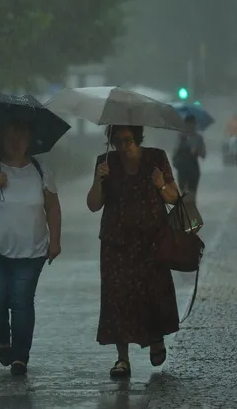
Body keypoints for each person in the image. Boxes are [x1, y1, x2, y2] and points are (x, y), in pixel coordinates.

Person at [0, 119, 62, 376]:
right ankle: (2, 339)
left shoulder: (41, 170)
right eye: (10, 134)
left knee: (21, 302)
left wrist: (55, 240)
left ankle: (20, 357)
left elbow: (52, 206)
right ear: (1, 138)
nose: (16, 140)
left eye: (21, 134)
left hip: (31, 251)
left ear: (30, 137)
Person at [87, 125, 180, 378]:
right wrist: (98, 180)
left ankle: (156, 338)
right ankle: (122, 358)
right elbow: (93, 205)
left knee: (154, 290)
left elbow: (174, 197)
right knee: (117, 297)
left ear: (136, 138)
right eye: (117, 141)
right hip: (116, 242)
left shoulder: (156, 158)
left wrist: (161, 184)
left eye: (127, 140)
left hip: (152, 240)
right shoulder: (106, 162)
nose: (123, 146)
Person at [172, 114, 206, 196]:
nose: (190, 126)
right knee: (183, 193)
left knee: (192, 193)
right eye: (188, 124)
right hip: (182, 168)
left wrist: (196, 151)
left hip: (193, 169)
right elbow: (175, 153)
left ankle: (191, 206)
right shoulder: (181, 136)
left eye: (192, 124)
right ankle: (185, 207)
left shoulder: (198, 138)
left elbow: (203, 155)